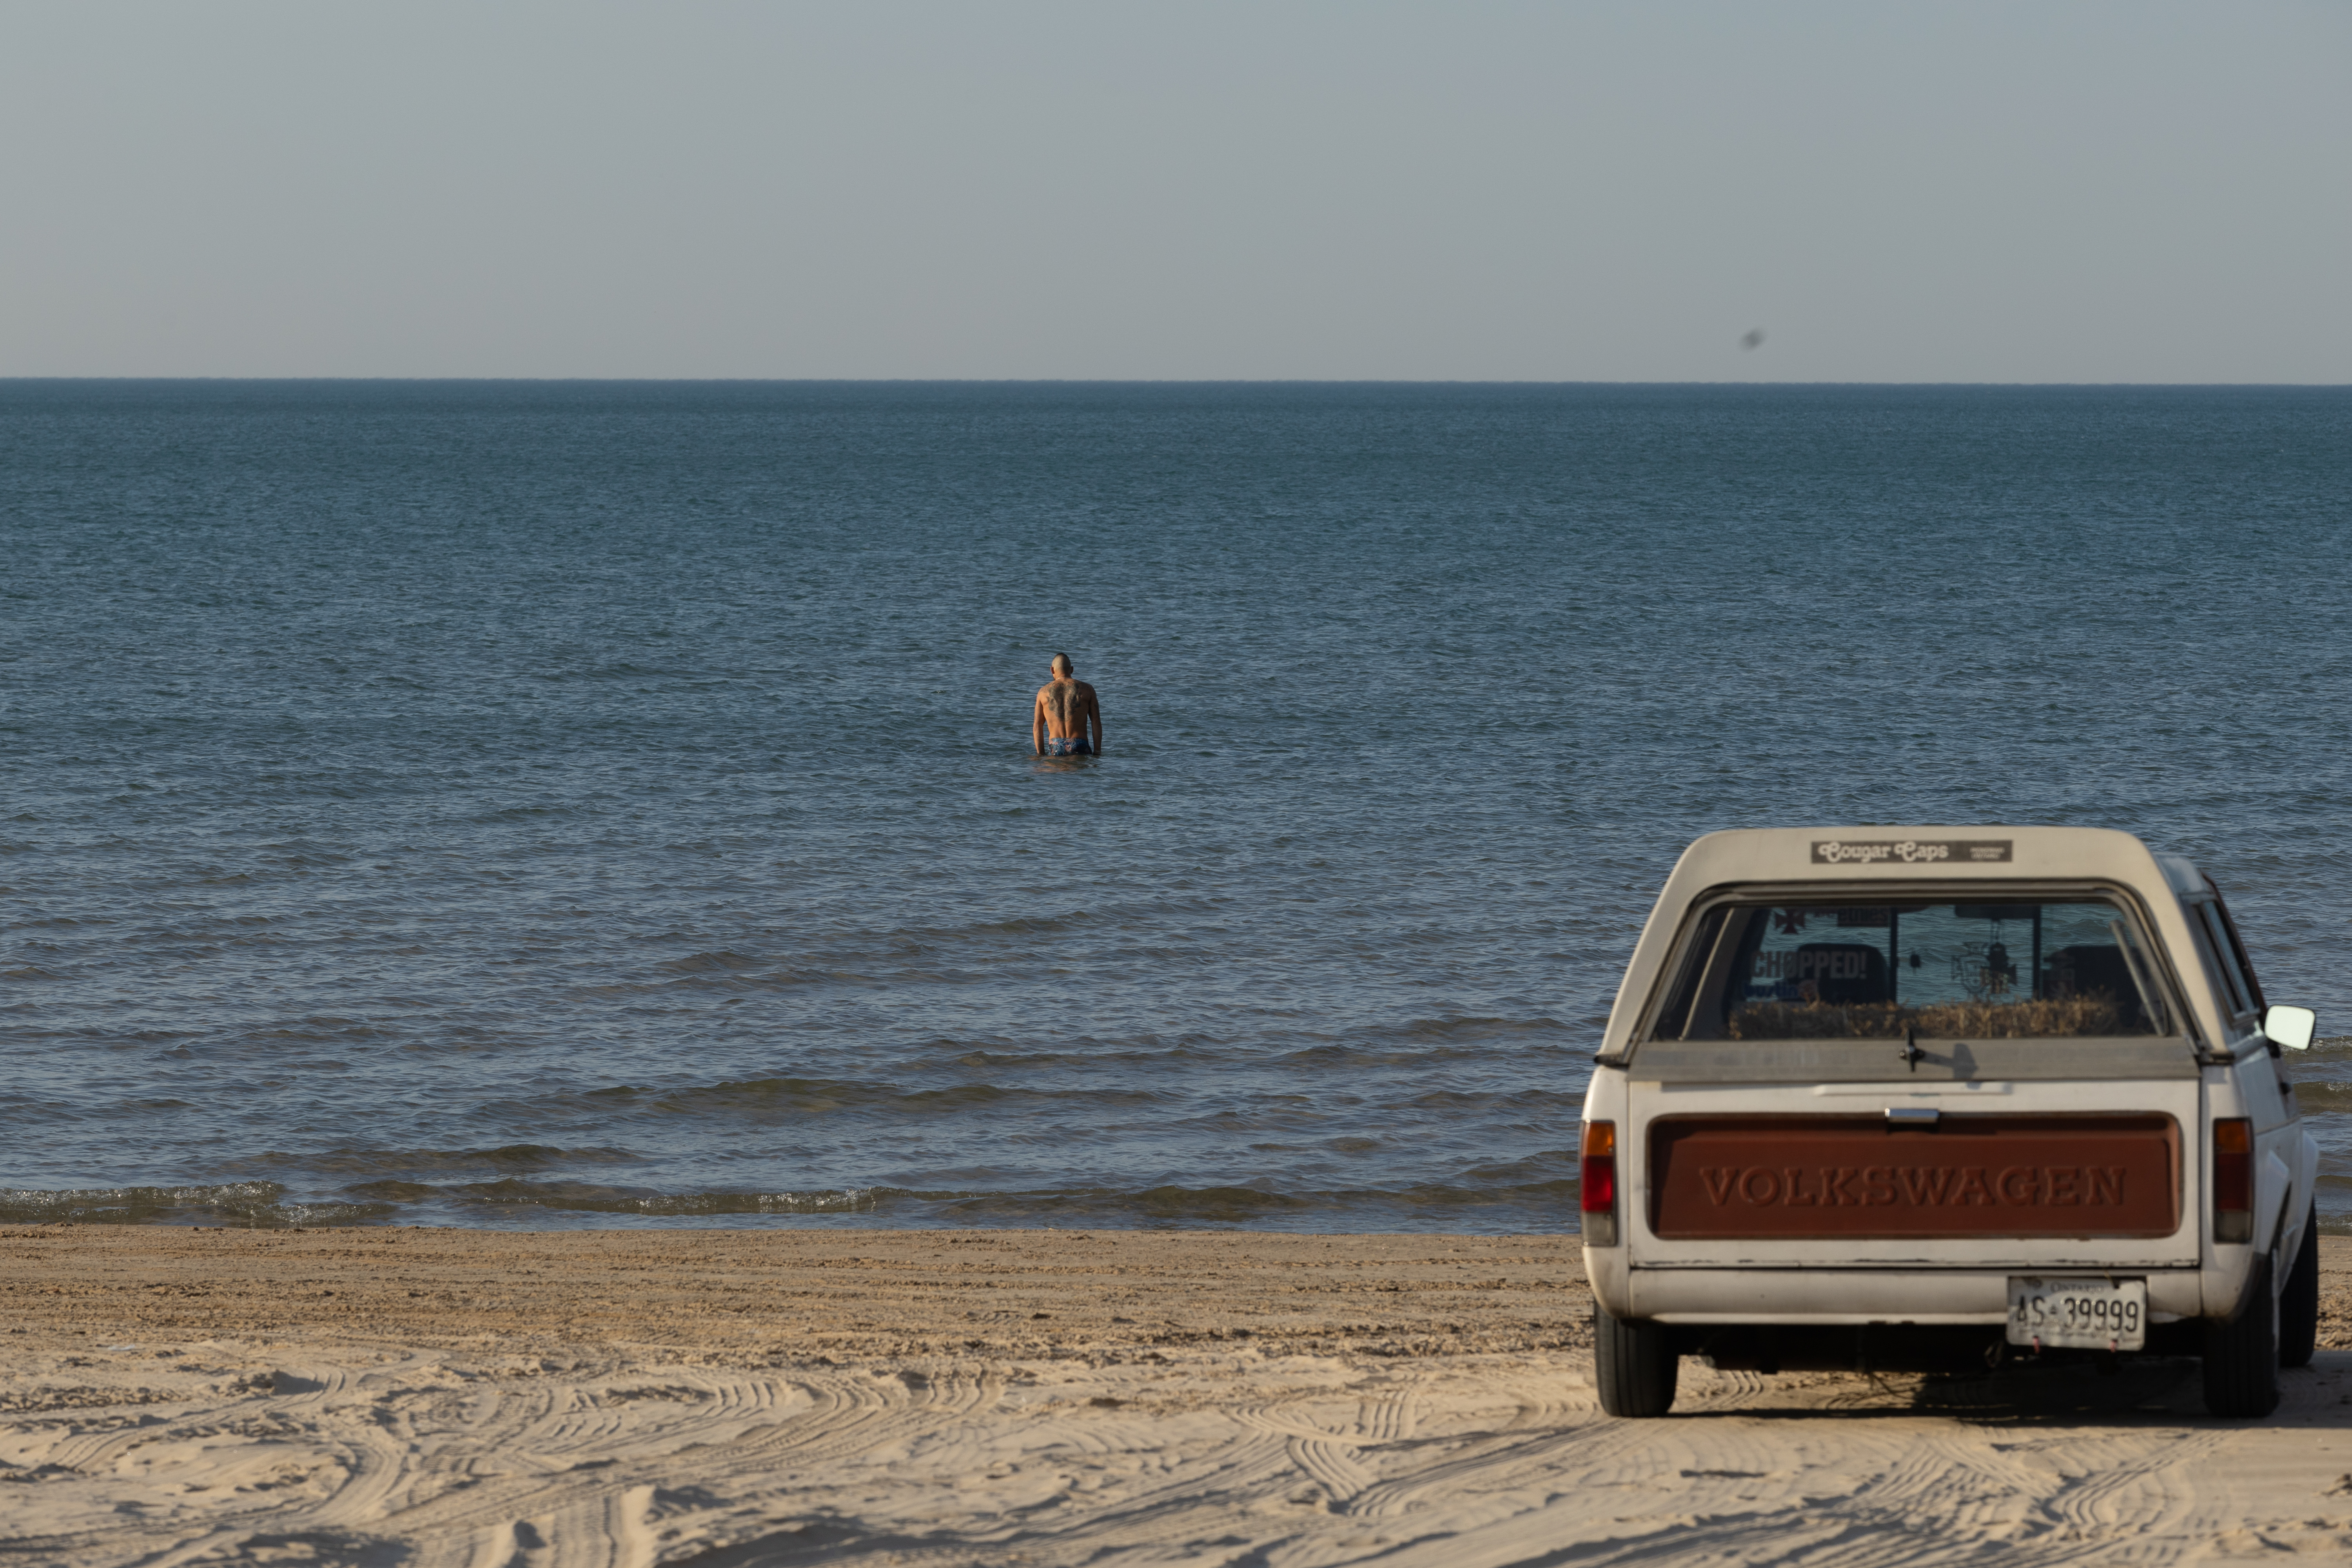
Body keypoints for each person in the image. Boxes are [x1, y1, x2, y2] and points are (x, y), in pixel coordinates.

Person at [1032, 654, 1102, 757]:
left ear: (1052, 670)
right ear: (1072, 669)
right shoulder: (1088, 689)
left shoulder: (1043, 693)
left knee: (1056, 772)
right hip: (1079, 744)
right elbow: (1096, 721)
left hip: (1056, 746)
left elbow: (1037, 726)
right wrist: (1097, 752)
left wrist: (1041, 754)